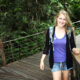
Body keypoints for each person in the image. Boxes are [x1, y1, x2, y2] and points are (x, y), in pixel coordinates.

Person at [40, 9, 80, 80]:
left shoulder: (69, 31)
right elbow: (47, 47)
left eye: (64, 19)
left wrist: (75, 50)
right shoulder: (51, 31)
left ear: (66, 21)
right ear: (56, 18)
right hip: (55, 62)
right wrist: (42, 60)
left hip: (66, 61)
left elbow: (72, 46)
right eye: (60, 18)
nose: (62, 21)